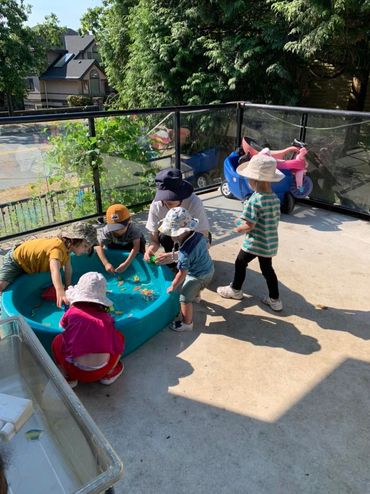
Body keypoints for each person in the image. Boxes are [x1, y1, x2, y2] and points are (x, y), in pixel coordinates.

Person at [217, 153, 284, 311]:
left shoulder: (255, 200)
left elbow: (249, 225)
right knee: (268, 270)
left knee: (240, 262)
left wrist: (238, 225)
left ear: (253, 180)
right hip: (269, 243)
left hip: (255, 242)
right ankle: (275, 300)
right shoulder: (274, 198)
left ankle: (235, 289)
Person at [51, 271, 125, 387]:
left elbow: (62, 326)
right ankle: (109, 374)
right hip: (101, 370)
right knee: (118, 337)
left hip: (74, 370)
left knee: (58, 340)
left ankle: (69, 378)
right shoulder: (106, 318)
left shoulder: (72, 312)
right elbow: (115, 343)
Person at [0, 222, 97, 308]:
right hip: (16, 260)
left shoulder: (67, 249)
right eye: (85, 246)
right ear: (75, 240)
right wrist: (60, 291)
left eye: (88, 248)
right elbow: (55, 270)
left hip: (29, 264)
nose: (85, 251)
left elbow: (68, 269)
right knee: (1, 286)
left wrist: (68, 287)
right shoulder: (57, 249)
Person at [159, 207, 214, 331]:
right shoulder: (198, 235)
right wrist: (174, 255)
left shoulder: (185, 253)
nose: (171, 237)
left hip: (199, 276)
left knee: (184, 298)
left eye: (172, 234)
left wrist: (173, 286)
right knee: (193, 285)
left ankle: (187, 323)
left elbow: (182, 273)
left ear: (180, 233)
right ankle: (196, 297)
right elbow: (198, 250)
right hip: (209, 268)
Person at [144, 168, 210, 265]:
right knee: (162, 236)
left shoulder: (194, 202)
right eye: (166, 199)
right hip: (171, 237)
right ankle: (172, 261)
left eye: (174, 197)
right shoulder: (156, 205)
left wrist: (178, 255)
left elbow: (205, 242)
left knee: (194, 257)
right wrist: (150, 250)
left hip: (192, 237)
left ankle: (185, 258)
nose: (168, 201)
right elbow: (155, 240)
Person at [95, 203, 146, 274]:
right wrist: (106, 263)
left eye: (121, 228)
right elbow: (98, 246)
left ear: (129, 221)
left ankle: (140, 261)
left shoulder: (133, 229)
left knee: (141, 243)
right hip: (116, 245)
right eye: (114, 228)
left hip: (131, 245)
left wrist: (126, 264)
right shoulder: (107, 230)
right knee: (110, 251)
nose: (118, 231)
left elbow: (136, 247)